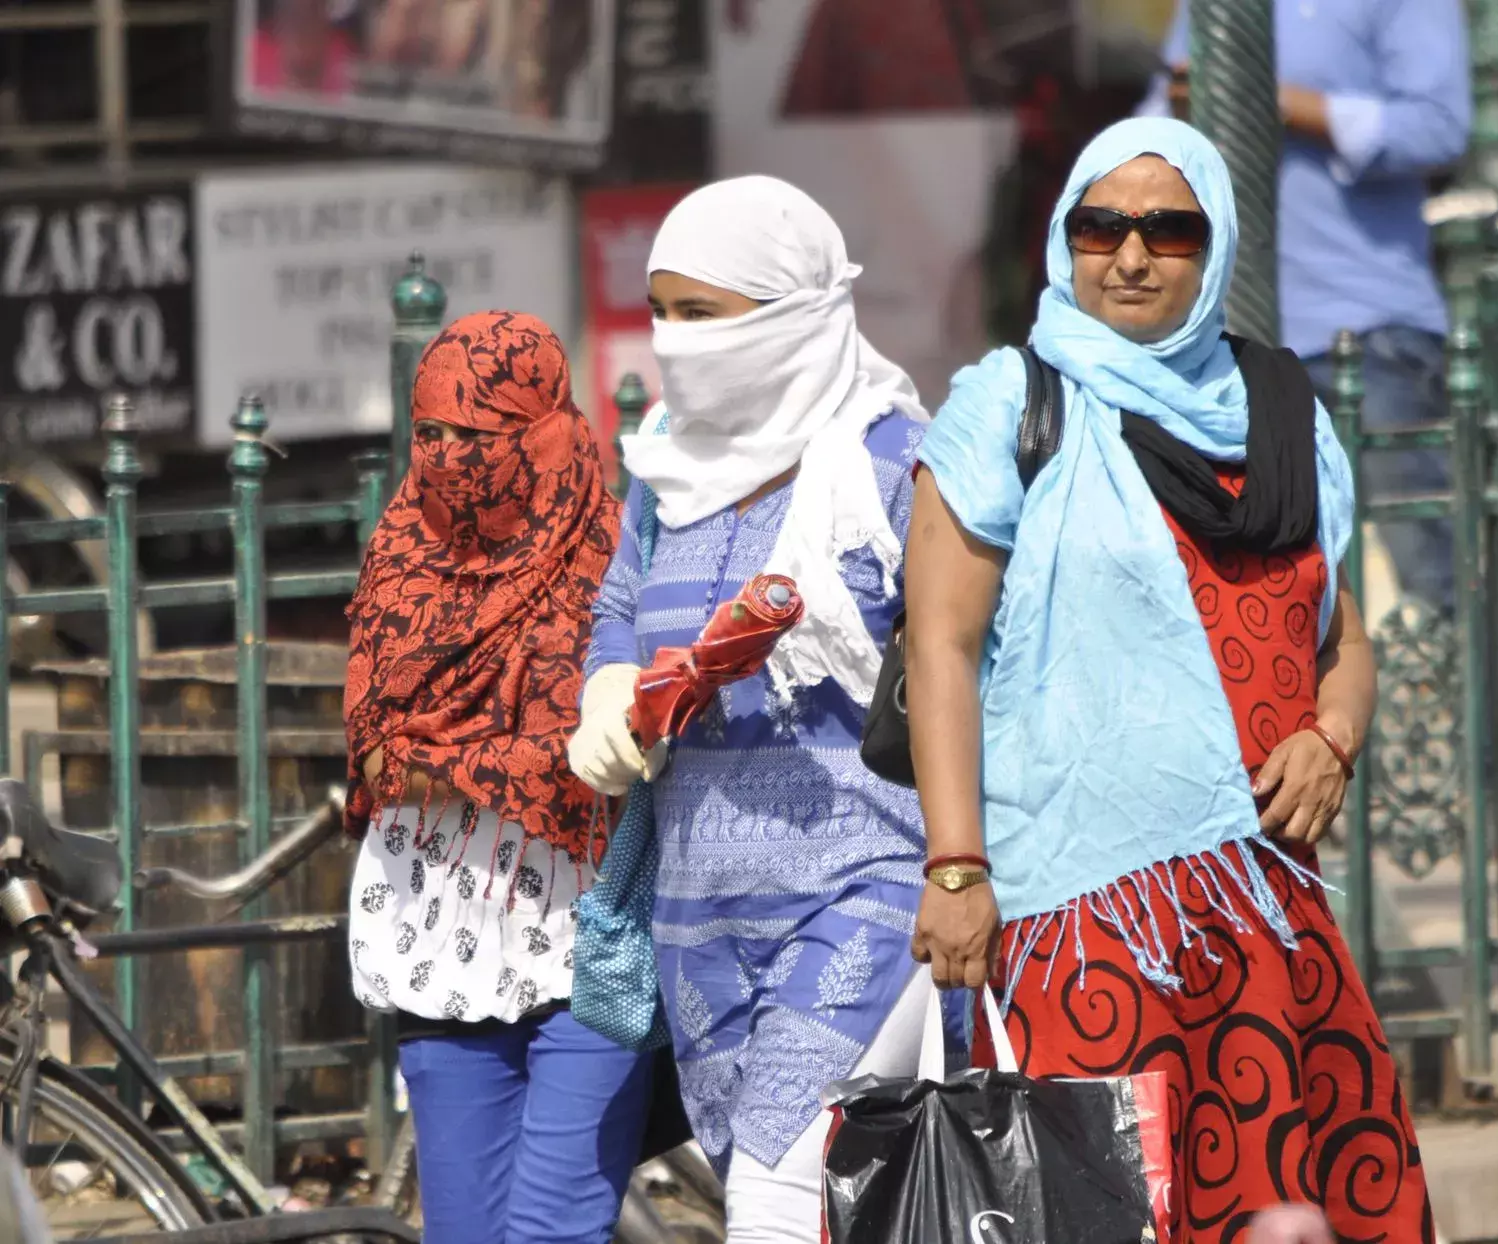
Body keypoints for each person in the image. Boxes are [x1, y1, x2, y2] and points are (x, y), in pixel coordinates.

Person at [905, 118, 1434, 1242]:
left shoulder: (1284, 407)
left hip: (1263, 923)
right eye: (1101, 226)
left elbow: (1344, 636)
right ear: (1063, 237)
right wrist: (955, 866)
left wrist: (1333, 731)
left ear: (1215, 245)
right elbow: (937, 646)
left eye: (1168, 229)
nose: (1131, 257)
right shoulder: (1012, 404)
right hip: (1081, 927)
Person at [567, 175, 937, 1244]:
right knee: (794, 1198)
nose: (675, 342)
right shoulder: (662, 473)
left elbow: (964, 660)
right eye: (662, 312)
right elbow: (620, 606)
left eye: (705, 313)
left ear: (793, 311)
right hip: (697, 915)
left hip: (863, 888)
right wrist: (605, 692)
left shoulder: (892, 465)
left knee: (774, 1201)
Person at [343, 311, 652, 1244]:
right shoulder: (402, 553)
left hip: (589, 942)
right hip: (437, 947)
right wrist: (484, 764)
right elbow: (369, 757)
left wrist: (438, 763)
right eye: (426, 433)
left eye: (473, 437)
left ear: (542, 432)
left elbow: (593, 760)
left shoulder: (609, 558)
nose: (442, 457)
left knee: (553, 1233)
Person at [1140, 0, 1471, 614]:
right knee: (1251, 586)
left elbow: (1441, 126)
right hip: (1225, 344)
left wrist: (1294, 107)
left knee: (1426, 590)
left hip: (1369, 335)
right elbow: (1145, 135)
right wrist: (1188, 110)